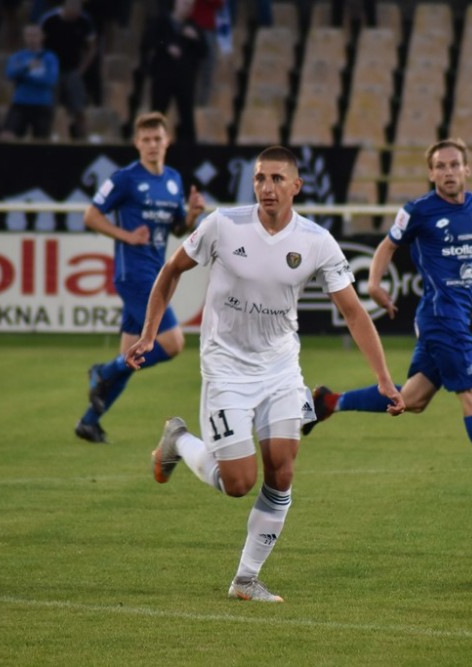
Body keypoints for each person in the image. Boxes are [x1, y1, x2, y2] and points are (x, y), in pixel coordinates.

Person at [125, 146, 405, 602]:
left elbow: (354, 312)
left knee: (282, 469)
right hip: (226, 367)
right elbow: (172, 270)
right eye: (260, 178)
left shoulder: (316, 241)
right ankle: (178, 440)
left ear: (296, 185)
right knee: (238, 483)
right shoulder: (222, 225)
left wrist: (384, 378)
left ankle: (245, 579)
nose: (267, 187)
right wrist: (149, 332)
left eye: (277, 178)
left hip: (280, 368)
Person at [301, 138, 472, 505]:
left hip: (451, 317)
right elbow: (387, 245)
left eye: (454, 164)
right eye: (440, 166)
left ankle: (328, 401)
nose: (448, 172)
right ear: (431, 173)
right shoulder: (418, 211)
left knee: (413, 399)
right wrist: (373, 283)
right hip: (441, 318)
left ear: (467, 169)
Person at [75, 111, 205, 443]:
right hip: (133, 274)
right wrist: (126, 236)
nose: (152, 145)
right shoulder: (125, 179)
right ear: (136, 143)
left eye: (157, 138)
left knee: (132, 357)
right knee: (173, 343)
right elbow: (90, 215)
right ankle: (103, 371)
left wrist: (191, 216)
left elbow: (177, 228)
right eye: (146, 139)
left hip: (156, 272)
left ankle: (89, 422)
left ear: (167, 141)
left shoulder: (173, 179)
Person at [125, 0, 205, 144]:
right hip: (163, 75)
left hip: (185, 78)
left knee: (186, 115)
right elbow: (148, 41)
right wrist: (166, 46)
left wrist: (195, 39)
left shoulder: (193, 26)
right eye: (185, 4)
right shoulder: (161, 22)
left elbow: (204, 52)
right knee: (158, 113)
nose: (188, 8)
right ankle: (153, 144)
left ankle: (189, 149)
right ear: (176, 3)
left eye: (191, 6)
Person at [39, 0, 97, 140]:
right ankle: (46, 137)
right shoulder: (50, 20)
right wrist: (45, 66)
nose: (76, 13)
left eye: (78, 9)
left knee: (79, 108)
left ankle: (82, 139)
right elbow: (38, 42)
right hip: (52, 72)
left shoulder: (84, 21)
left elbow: (92, 48)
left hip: (73, 71)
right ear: (65, 7)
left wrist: (81, 69)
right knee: (49, 108)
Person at [1, 24, 59, 140]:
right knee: (8, 135)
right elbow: (10, 74)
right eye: (28, 35)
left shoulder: (49, 57)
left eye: (35, 35)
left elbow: (50, 80)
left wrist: (24, 77)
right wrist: (26, 68)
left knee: (41, 140)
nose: (32, 39)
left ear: (42, 37)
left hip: (42, 103)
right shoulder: (18, 56)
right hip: (21, 102)